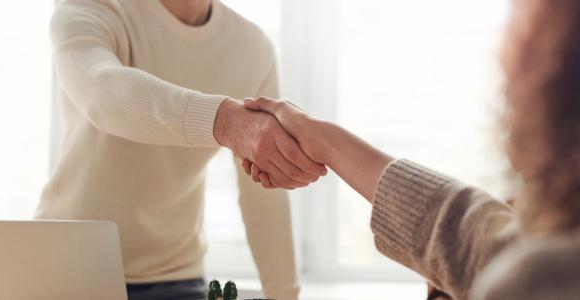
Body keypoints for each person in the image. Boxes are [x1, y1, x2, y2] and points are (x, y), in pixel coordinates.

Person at [242, 0, 580, 298]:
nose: (504, 47)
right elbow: (486, 244)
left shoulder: (537, 279)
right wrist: (324, 140)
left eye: (520, 16)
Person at [37, 0, 326, 299]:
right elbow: (101, 93)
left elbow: (264, 194)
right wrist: (224, 121)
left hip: (175, 277)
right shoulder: (92, 7)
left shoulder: (251, 47)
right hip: (65, 268)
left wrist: (285, 294)